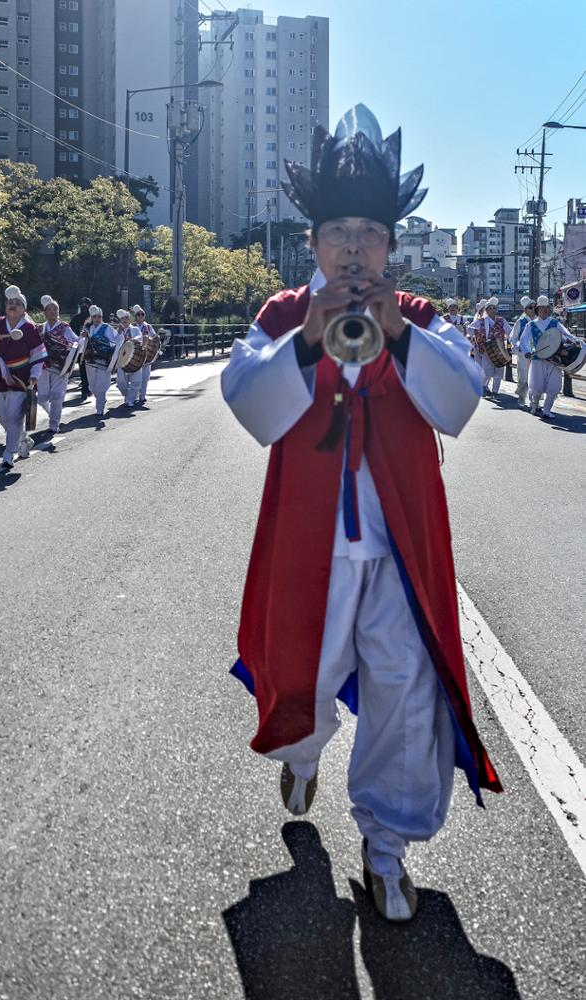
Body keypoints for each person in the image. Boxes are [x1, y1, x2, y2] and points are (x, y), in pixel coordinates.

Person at [221, 104, 501, 924]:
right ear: (312, 243)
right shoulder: (280, 315)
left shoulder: (418, 316)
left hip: (398, 552)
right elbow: (250, 405)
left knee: (405, 694)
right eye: (337, 230)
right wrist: (306, 341)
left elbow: (461, 401)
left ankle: (386, 852)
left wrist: (397, 337)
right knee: (301, 672)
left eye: (368, 232)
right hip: (313, 547)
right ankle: (303, 757)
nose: (352, 246)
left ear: (391, 243)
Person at [0, 285, 47, 469]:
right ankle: (24, 438)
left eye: (17, 303)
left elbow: (38, 355)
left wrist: (34, 376)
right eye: (10, 303)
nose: (12, 305)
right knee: (3, 418)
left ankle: (9, 454)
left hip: (21, 378)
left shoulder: (30, 329)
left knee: (14, 416)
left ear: (23, 309)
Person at [520, 294, 576, 420]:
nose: (544, 310)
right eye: (541, 307)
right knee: (536, 385)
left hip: (554, 359)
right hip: (537, 360)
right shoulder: (531, 325)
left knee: (554, 385)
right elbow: (523, 340)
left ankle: (547, 410)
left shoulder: (555, 323)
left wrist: (574, 342)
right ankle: (534, 406)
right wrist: (526, 351)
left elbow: (567, 335)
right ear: (537, 309)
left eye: (547, 307)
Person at [36, 295, 80, 436]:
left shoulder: (64, 327)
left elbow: (76, 343)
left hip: (60, 367)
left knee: (57, 396)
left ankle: (54, 425)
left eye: (55, 309)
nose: (52, 312)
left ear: (58, 312)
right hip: (43, 367)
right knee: (42, 398)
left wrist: (82, 341)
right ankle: (52, 413)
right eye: (49, 309)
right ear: (45, 312)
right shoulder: (40, 328)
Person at [81, 305, 123, 418]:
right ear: (91, 317)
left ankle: (100, 408)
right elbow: (82, 344)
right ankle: (101, 399)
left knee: (101, 385)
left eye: (99, 316)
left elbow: (115, 339)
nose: (97, 319)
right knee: (93, 387)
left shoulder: (107, 327)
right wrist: (83, 337)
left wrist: (119, 333)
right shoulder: (88, 328)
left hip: (104, 360)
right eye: (95, 317)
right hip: (90, 361)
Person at [467, 297, 511, 397]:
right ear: (486, 310)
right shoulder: (481, 321)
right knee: (488, 371)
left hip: (499, 349)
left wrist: (512, 341)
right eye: (490, 308)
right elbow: (469, 329)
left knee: (499, 371)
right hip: (487, 349)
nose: (492, 310)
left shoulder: (501, 320)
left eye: (494, 308)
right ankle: (483, 386)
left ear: (496, 309)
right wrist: (478, 333)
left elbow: (509, 332)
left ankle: (495, 392)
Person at [509, 296, 536, 409]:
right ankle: (521, 398)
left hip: (536, 354)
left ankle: (534, 401)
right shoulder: (521, 321)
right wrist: (519, 349)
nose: (533, 309)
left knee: (535, 377)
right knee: (523, 376)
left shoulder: (538, 320)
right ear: (525, 309)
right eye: (530, 307)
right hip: (524, 354)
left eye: (534, 307)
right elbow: (513, 338)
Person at [115, 308, 142, 407]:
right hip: (121, 359)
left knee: (136, 380)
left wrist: (133, 339)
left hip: (135, 357)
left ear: (129, 319)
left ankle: (131, 399)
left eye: (126, 318)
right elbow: (113, 342)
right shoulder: (117, 331)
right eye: (122, 318)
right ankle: (127, 395)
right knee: (121, 382)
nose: (125, 320)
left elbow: (140, 337)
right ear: (120, 320)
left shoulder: (135, 329)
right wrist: (118, 333)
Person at [132, 304, 158, 407]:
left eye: (142, 314)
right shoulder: (133, 326)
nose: (140, 316)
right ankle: (135, 395)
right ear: (135, 316)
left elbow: (154, 336)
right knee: (136, 376)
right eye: (138, 314)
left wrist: (157, 336)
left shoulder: (148, 326)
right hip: (136, 355)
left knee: (145, 376)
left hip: (147, 354)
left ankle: (142, 396)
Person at [70, 297, 92, 401]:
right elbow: (70, 332)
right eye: (83, 305)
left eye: (86, 305)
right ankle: (84, 389)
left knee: (90, 370)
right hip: (80, 348)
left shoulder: (93, 319)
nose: (85, 307)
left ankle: (88, 387)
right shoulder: (75, 319)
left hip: (91, 348)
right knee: (83, 369)